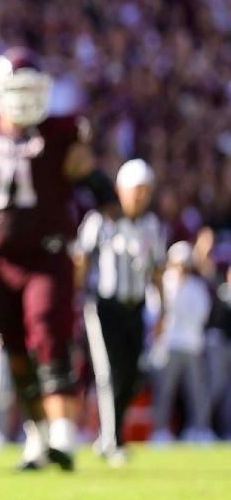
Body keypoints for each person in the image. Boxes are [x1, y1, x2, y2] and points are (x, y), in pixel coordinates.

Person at [0, 48, 118, 473]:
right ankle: (38, 436)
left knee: (49, 335)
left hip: (48, 254)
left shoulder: (60, 132)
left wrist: (109, 214)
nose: (24, 101)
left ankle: (64, 437)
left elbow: (93, 178)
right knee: (16, 350)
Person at [74, 159, 166, 466]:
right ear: (120, 190)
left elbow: (156, 271)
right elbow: (82, 263)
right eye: (135, 190)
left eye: (145, 190)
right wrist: (76, 301)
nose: (140, 196)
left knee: (132, 376)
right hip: (103, 306)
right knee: (109, 374)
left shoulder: (152, 225)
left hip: (136, 307)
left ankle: (109, 437)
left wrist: (163, 311)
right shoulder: (100, 220)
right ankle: (113, 440)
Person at [150, 241, 214, 443]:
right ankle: (160, 431)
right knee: (165, 391)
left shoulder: (196, 286)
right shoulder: (163, 285)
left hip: (192, 345)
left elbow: (201, 314)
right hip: (168, 346)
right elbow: (154, 314)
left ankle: (200, 429)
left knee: (197, 391)